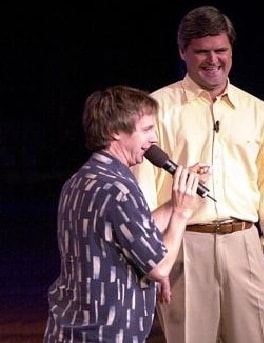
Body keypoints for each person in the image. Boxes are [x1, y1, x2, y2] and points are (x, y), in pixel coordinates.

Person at [132, 6, 264, 343]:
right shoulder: (156, 108)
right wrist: (154, 258)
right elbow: (142, 192)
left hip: (245, 244)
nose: (213, 60)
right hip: (183, 247)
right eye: (202, 52)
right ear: (182, 52)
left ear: (231, 51)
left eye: (221, 51)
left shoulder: (257, 111)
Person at [43, 85, 201, 343]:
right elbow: (160, 268)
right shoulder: (120, 189)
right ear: (115, 131)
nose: (154, 140)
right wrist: (182, 212)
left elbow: (133, 230)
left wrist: (175, 199)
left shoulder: (79, 180)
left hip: (70, 330)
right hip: (107, 332)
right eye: (147, 130)